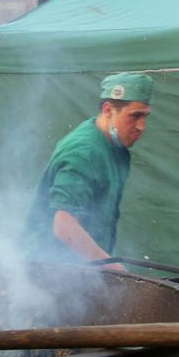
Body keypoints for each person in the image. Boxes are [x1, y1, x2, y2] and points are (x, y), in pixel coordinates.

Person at [20, 73, 154, 268]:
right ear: (108, 110)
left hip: (84, 268)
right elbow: (64, 226)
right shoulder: (84, 153)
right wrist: (111, 265)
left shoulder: (116, 149)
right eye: (134, 116)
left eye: (144, 116)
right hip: (48, 270)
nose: (141, 126)